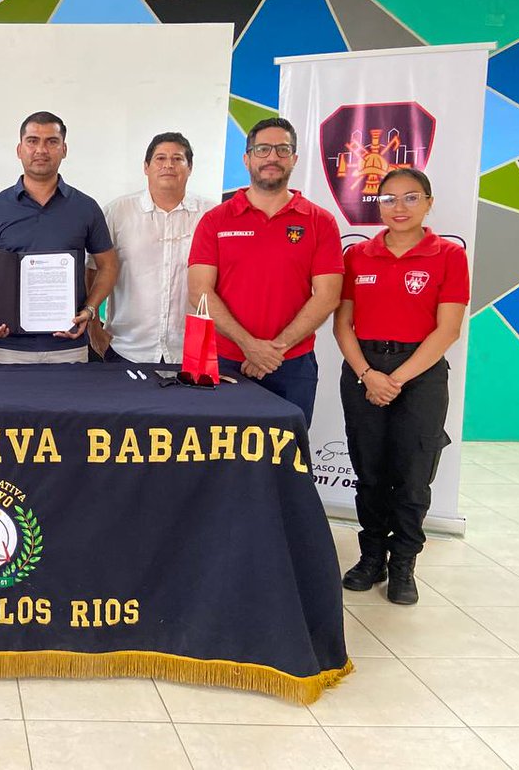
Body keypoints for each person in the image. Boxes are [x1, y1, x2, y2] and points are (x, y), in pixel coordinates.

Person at [333, 168, 468, 605]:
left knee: (413, 477)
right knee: (369, 472)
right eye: (388, 199)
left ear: (429, 202)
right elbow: (342, 325)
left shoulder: (448, 255)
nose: (399, 208)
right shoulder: (357, 256)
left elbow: (447, 330)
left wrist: (396, 379)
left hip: (421, 375)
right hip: (363, 371)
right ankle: (370, 557)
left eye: (411, 198)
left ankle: (403, 563)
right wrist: (368, 375)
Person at [188, 118, 342, 424]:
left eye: (282, 149)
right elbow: (199, 291)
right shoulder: (215, 220)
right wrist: (249, 345)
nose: (272, 157)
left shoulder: (319, 221)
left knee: (286, 460)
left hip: (292, 365)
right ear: (247, 158)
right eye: (262, 149)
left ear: (294, 159)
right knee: (220, 459)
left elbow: (327, 296)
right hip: (224, 362)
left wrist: (273, 351)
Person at [0, 111, 118, 364]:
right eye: (32, 141)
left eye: (51, 141)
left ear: (64, 149)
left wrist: (90, 309)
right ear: (19, 149)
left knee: (70, 405)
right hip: (10, 346)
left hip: (69, 344)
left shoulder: (85, 207)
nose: (41, 149)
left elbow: (108, 265)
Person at [89, 132, 212, 363]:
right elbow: (93, 269)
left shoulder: (210, 215)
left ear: (190, 167)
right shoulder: (117, 212)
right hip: (127, 347)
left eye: (178, 159)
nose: (169, 165)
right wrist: (94, 326)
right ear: (146, 167)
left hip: (191, 351)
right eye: (160, 158)